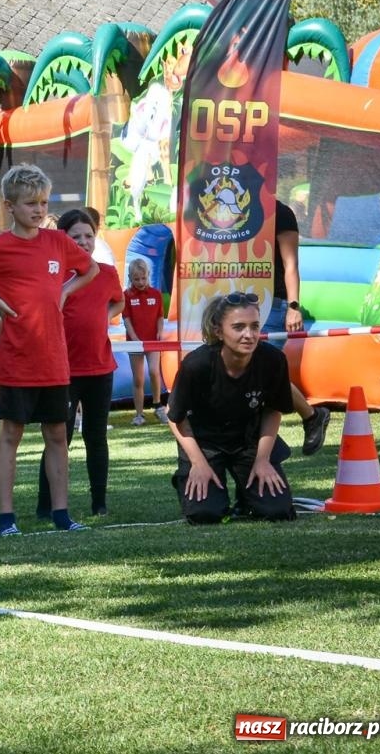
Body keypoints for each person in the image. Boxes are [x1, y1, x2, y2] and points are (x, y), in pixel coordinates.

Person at [0, 163, 98, 536]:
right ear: (10, 206)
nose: (39, 210)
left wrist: (63, 292)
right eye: (30, 204)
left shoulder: (59, 241)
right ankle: (6, 518)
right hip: (16, 360)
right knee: (11, 434)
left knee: (58, 434)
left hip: (55, 359)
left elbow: (88, 270)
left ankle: (62, 513)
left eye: (43, 202)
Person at [168, 292, 295, 523]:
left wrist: (263, 459)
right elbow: (175, 418)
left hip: (249, 440)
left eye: (254, 326)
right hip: (204, 442)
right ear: (218, 331)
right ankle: (188, 479)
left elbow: (273, 410)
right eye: (238, 327)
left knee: (277, 512)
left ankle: (247, 498)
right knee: (205, 514)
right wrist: (198, 463)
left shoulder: (273, 360)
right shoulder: (196, 364)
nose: (249, 335)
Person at [35, 209, 123, 519]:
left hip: (100, 369)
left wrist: (104, 315)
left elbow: (118, 300)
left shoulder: (107, 273)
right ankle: (46, 505)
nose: (83, 242)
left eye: (88, 235)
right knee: (60, 437)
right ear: (63, 239)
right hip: (64, 372)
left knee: (96, 437)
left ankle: (99, 503)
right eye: (76, 237)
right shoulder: (54, 276)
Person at [265, 199, 331, 455]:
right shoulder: (233, 212)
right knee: (257, 371)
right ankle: (310, 417)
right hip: (240, 299)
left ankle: (311, 416)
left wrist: (294, 305)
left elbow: (291, 264)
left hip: (274, 303)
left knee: (264, 369)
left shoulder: (281, 213)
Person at [123, 256, 168, 425]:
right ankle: (139, 414)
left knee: (155, 372)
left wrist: (159, 332)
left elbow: (160, 316)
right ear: (130, 278)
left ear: (148, 275)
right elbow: (126, 319)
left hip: (153, 342)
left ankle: (158, 406)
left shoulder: (156, 294)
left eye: (143, 278)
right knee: (138, 379)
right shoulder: (126, 295)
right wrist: (135, 338)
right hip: (135, 342)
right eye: (136, 279)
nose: (141, 282)